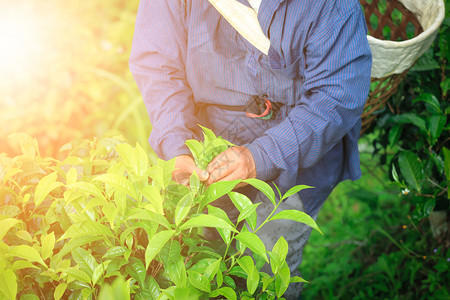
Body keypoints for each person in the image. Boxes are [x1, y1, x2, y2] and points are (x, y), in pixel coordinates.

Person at [130, 0, 372, 298]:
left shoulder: (330, 6)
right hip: (211, 143)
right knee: (206, 257)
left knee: (271, 262)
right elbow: (158, 63)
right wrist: (178, 145)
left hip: (300, 149)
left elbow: (338, 93)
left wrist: (261, 156)